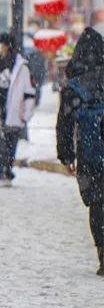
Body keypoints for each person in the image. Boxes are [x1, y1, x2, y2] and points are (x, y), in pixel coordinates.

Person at [56, 25, 104, 275]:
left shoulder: (74, 87)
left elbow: (64, 123)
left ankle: (103, 252)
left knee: (97, 203)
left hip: (89, 154)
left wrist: (66, 155)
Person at [0, 32, 36, 186]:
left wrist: (26, 115)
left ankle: (6, 171)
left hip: (14, 112)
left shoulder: (21, 67)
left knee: (10, 144)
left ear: (6, 46)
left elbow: (29, 93)